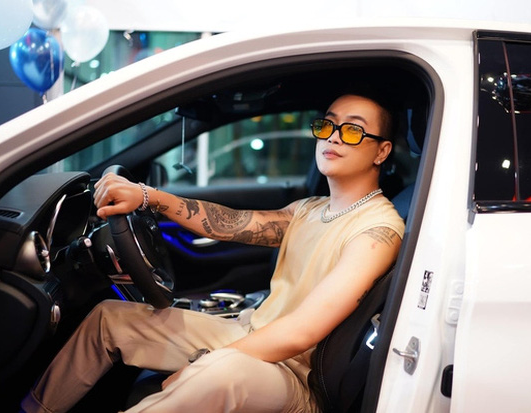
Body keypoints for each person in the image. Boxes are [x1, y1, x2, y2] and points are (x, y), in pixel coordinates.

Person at [21, 91, 405, 413]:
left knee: (222, 373)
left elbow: (301, 332)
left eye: (353, 130)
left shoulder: (378, 231)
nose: (334, 137)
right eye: (328, 125)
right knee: (110, 318)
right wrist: (147, 196)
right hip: (251, 331)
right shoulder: (311, 209)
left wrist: (199, 367)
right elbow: (230, 223)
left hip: (295, 378)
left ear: (382, 151)